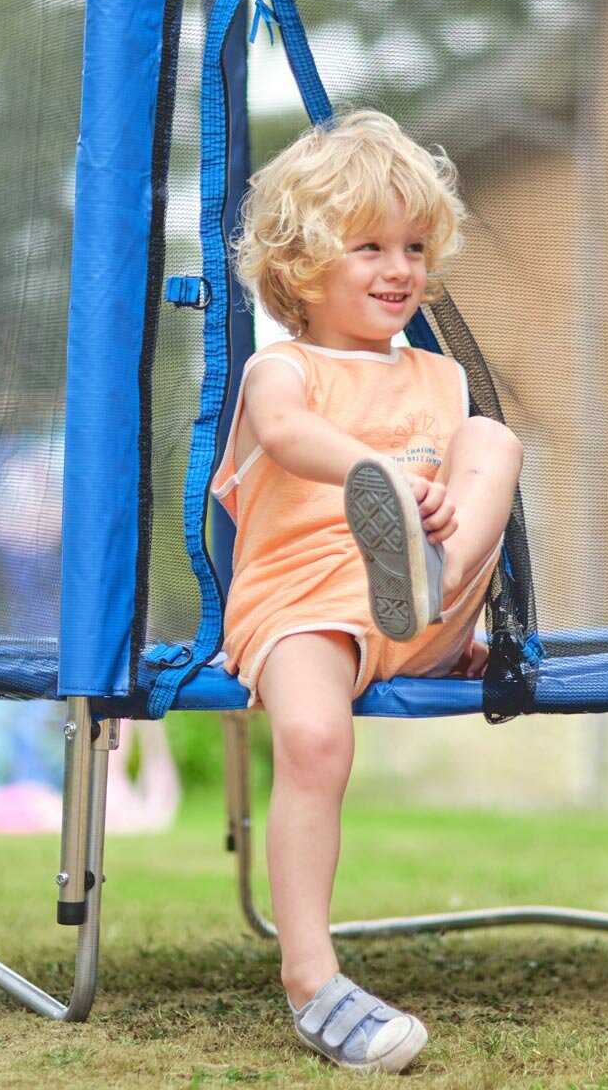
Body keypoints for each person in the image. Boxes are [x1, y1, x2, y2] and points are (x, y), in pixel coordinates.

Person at [211, 110, 523, 1073]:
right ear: (301, 266)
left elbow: (476, 469)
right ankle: (312, 979)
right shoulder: (285, 368)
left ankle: (439, 583)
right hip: (303, 600)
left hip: (418, 609)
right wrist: (377, 474)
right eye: (370, 247)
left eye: (416, 247)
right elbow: (291, 437)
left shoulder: (439, 375)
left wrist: (447, 571)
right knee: (311, 737)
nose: (401, 268)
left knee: (493, 440)